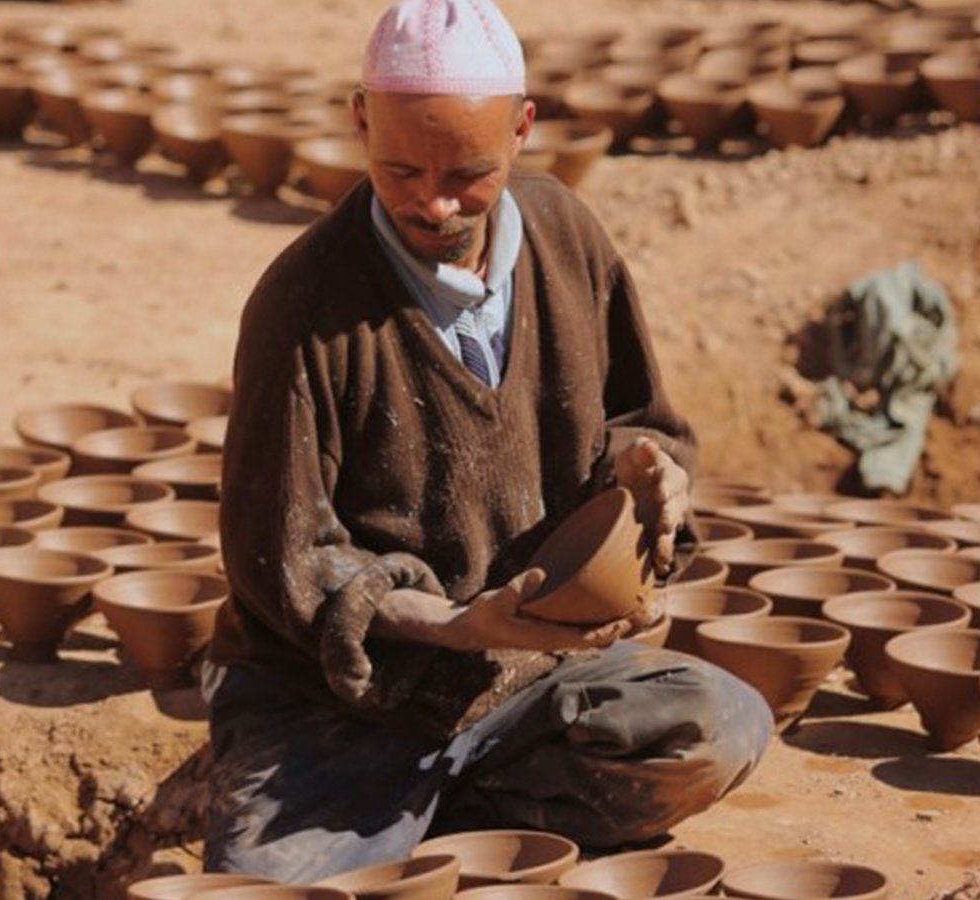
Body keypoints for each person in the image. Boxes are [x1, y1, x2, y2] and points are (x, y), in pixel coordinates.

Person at [205, 0, 774, 882]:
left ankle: (441, 819)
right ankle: (388, 816)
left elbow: (644, 420)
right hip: (346, 702)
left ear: (522, 128)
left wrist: (646, 471)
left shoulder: (567, 236)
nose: (434, 203)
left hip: (523, 679)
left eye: (468, 172)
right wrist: (455, 624)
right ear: (360, 120)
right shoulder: (304, 307)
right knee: (264, 884)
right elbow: (288, 560)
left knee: (716, 726)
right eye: (399, 169)